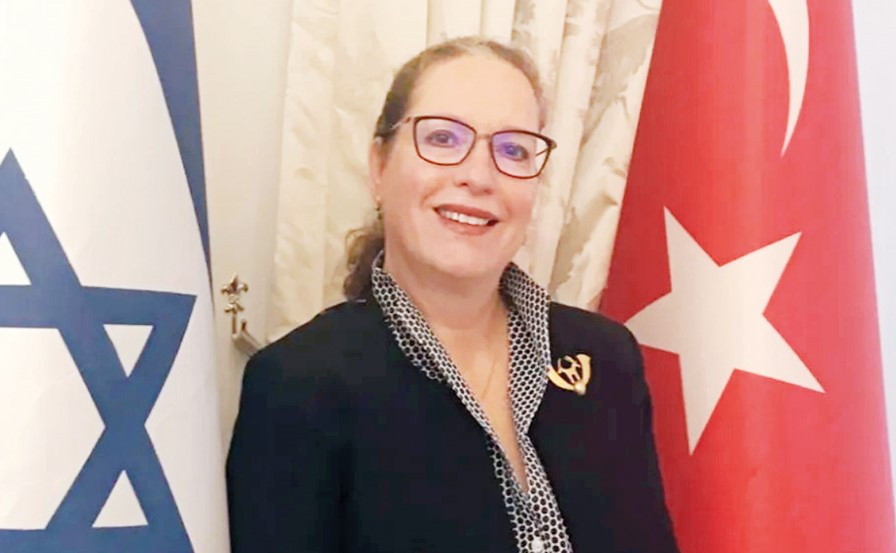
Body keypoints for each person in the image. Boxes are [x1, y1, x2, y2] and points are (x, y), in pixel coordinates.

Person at [226, 36, 678, 553]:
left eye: (513, 149)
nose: (478, 176)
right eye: (443, 138)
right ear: (379, 166)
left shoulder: (607, 358)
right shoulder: (297, 384)